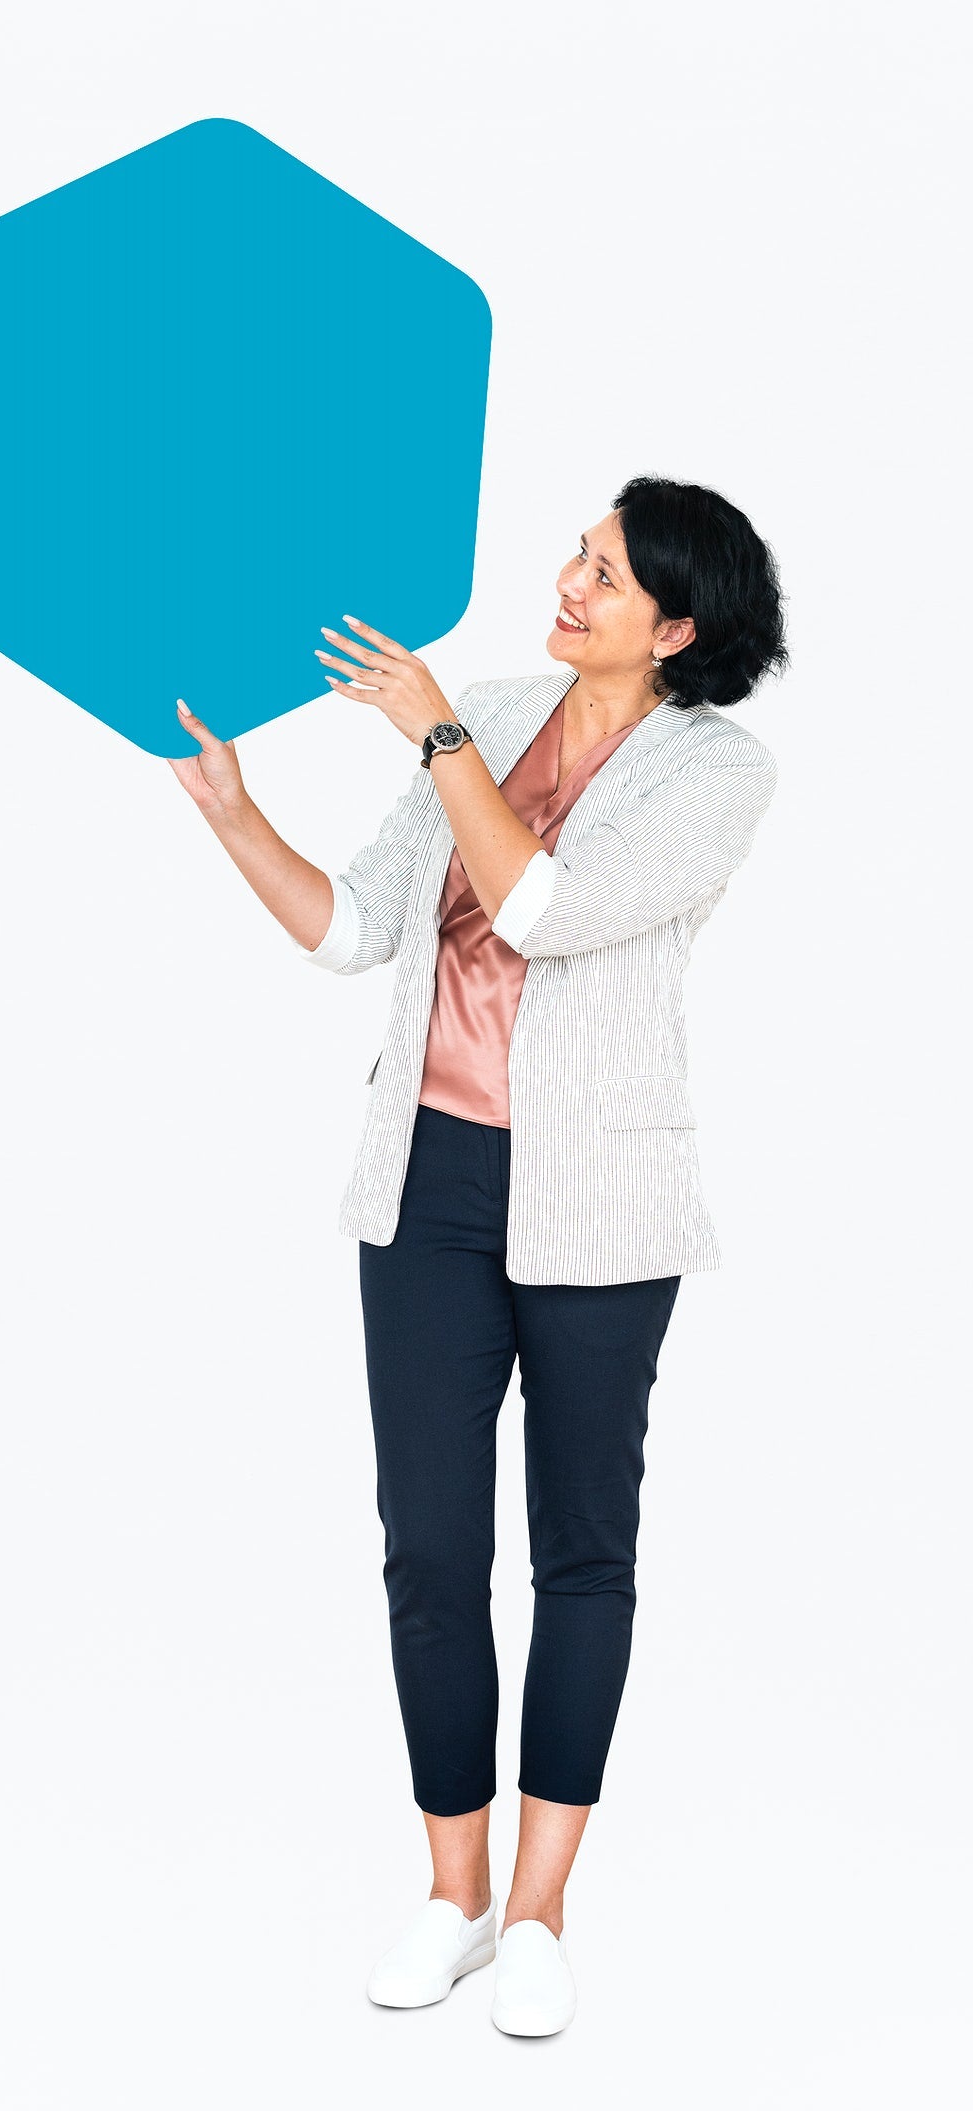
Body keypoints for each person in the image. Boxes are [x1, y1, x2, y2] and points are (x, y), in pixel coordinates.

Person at [167, 474, 788, 2038]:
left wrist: (439, 738)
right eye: (576, 555)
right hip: (430, 1184)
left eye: (605, 574)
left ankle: (538, 1911)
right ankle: (451, 1896)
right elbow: (352, 932)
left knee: (583, 1556)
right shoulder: (501, 704)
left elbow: (549, 906)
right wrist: (237, 811)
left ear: (678, 626)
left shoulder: (716, 771)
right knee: (430, 1554)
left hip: (600, 1206)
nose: (568, 581)